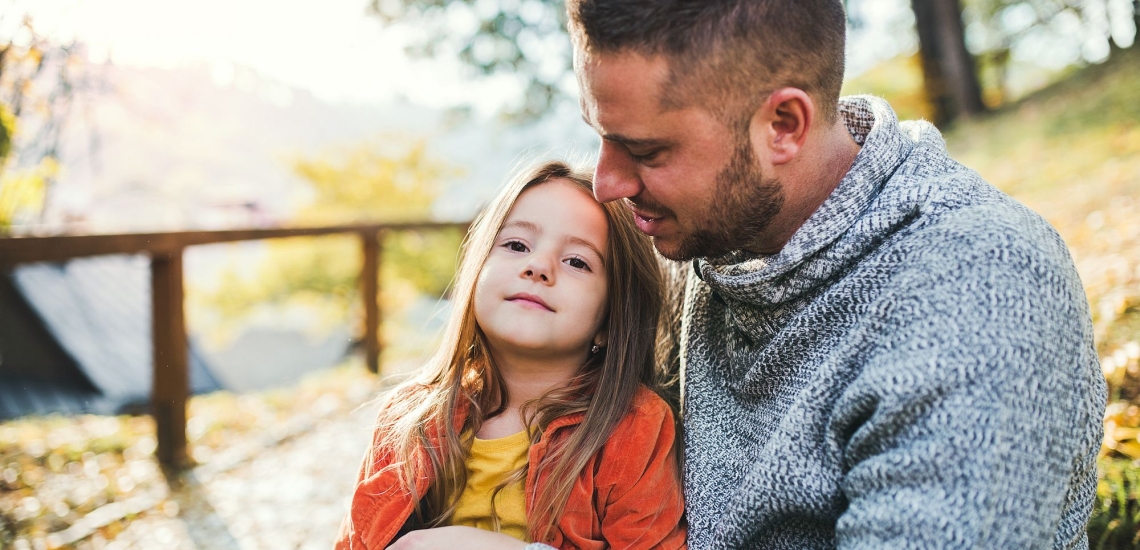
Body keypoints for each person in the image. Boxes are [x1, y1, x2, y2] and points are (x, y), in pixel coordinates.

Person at [567, 0, 1107, 548]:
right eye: (601, 135)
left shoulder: (979, 295)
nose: (607, 183)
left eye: (646, 150)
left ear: (783, 126)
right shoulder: (700, 237)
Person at [334, 160, 686, 550]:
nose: (538, 266)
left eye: (577, 262)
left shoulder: (634, 429)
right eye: (516, 245)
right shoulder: (409, 419)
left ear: (611, 316)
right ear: (477, 270)